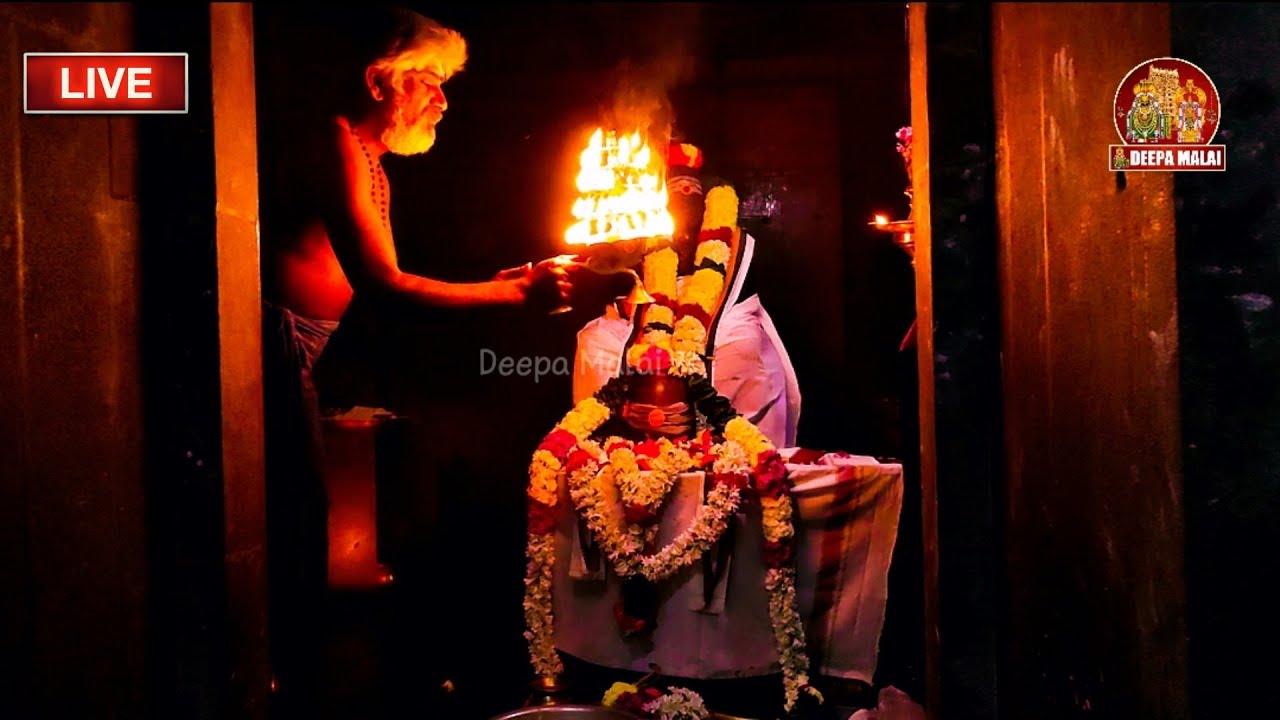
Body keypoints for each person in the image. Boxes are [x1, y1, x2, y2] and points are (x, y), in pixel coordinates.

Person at [257, 6, 571, 716]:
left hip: (307, 344)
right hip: (276, 337)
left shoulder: (372, 160)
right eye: (429, 80)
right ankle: (287, 688)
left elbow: (391, 284)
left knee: (303, 512)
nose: (443, 100)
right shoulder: (334, 138)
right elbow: (385, 287)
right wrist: (512, 295)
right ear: (378, 81)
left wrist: (505, 283)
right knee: (296, 517)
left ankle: (299, 677)